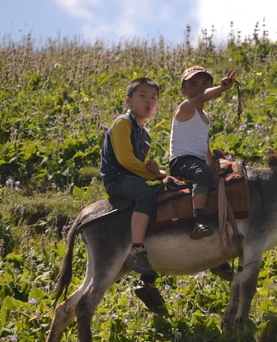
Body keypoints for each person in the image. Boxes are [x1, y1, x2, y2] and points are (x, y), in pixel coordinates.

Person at [100, 77, 166, 310]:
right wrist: (155, 175)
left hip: (134, 178)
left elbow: (143, 164)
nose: (149, 101)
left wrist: (157, 171)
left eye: (154, 98)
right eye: (143, 96)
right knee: (146, 195)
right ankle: (137, 248)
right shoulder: (122, 124)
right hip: (117, 178)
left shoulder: (145, 134)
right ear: (129, 101)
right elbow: (126, 160)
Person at [169, 66, 237, 239]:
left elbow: (204, 147)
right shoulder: (185, 107)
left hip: (198, 161)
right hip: (182, 161)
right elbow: (202, 97)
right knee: (202, 172)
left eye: (204, 83)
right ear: (183, 90)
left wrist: (212, 165)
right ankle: (198, 219)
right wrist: (222, 89)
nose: (199, 88)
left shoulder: (205, 117)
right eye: (193, 84)